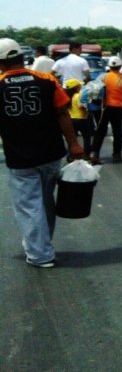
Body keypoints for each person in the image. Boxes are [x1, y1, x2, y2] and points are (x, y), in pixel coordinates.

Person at [0, 38, 84, 268]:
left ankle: (40, 255)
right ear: (21, 58)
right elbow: (63, 114)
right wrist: (74, 144)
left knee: (29, 207)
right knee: (45, 201)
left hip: (20, 159)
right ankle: (41, 245)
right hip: (50, 154)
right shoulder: (46, 80)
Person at [89, 56, 122, 165]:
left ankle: (94, 154)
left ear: (109, 66)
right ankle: (117, 155)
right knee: (117, 132)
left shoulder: (102, 77)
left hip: (103, 108)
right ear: (120, 67)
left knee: (100, 131)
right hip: (116, 108)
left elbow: (94, 90)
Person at [64, 78, 93, 159]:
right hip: (82, 119)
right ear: (76, 87)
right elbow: (80, 106)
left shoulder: (66, 96)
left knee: (72, 139)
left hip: (71, 119)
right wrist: (87, 108)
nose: (81, 86)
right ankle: (87, 155)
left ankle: (70, 155)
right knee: (86, 137)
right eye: (79, 85)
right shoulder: (78, 95)